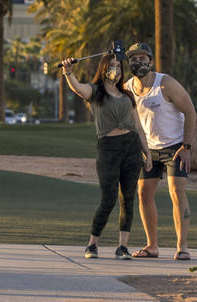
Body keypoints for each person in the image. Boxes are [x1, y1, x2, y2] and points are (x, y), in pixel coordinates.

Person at [61, 52, 152, 260]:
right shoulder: (96, 92)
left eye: (119, 67)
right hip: (108, 148)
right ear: (104, 69)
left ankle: (123, 247)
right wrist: (68, 72)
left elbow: (137, 125)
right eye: (112, 66)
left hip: (131, 148)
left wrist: (147, 152)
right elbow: (77, 87)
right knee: (109, 198)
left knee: (127, 199)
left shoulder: (128, 96)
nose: (117, 70)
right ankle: (92, 244)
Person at [124, 42, 197, 261]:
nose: (138, 63)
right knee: (144, 194)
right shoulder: (127, 88)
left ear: (151, 61)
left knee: (176, 192)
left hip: (175, 146)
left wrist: (186, 146)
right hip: (148, 150)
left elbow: (191, 111)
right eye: (134, 59)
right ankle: (152, 245)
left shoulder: (165, 84)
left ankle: (182, 247)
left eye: (143, 58)